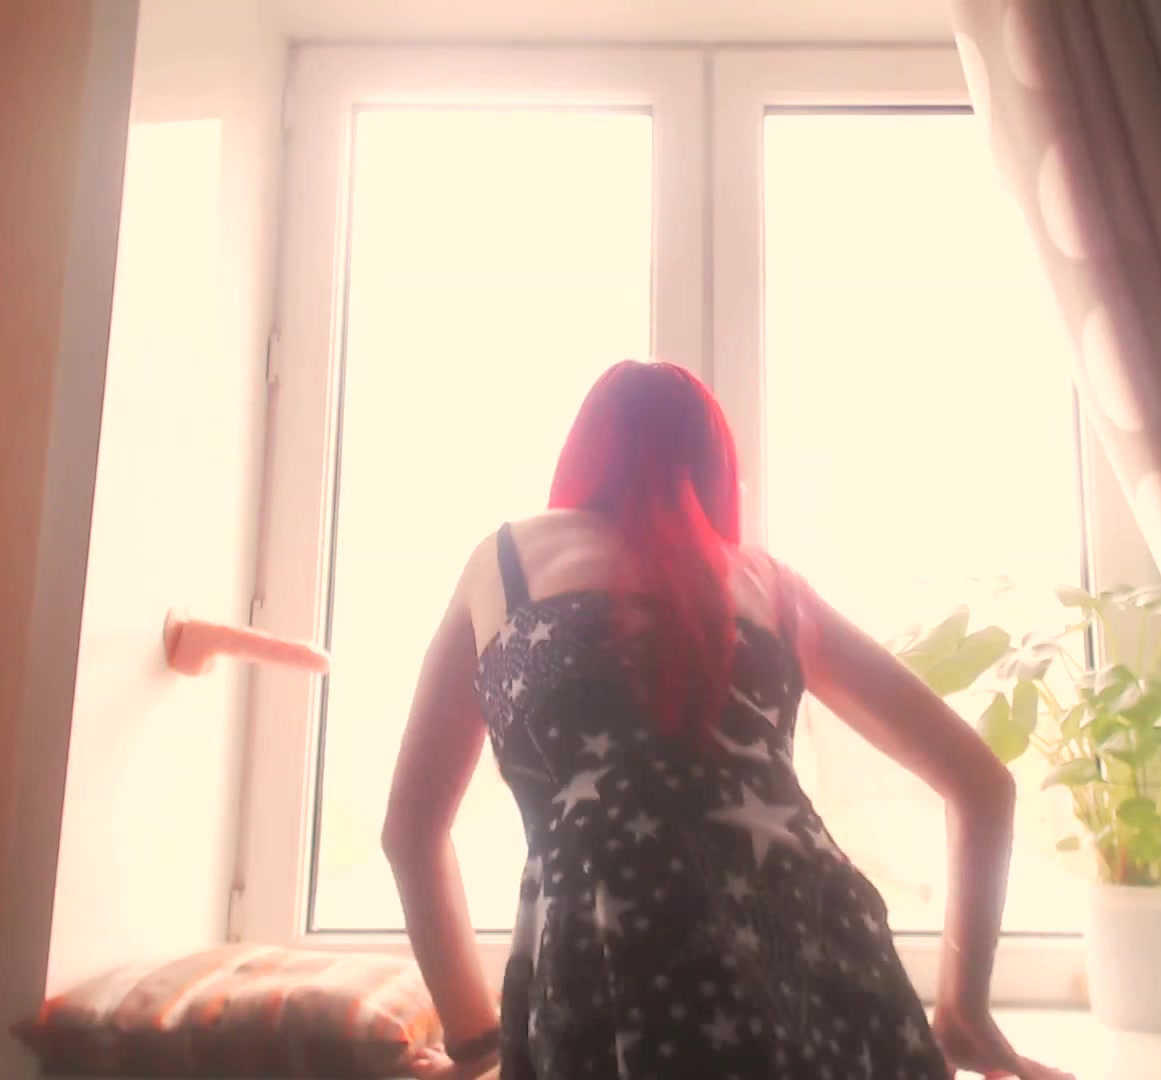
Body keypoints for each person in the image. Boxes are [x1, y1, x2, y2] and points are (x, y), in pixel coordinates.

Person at [382, 360, 1070, 1080]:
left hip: (617, 974)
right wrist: (964, 1011)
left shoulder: (508, 560)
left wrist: (476, 1047)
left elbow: (410, 832)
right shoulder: (765, 582)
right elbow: (983, 784)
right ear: (714, 471)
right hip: (831, 966)